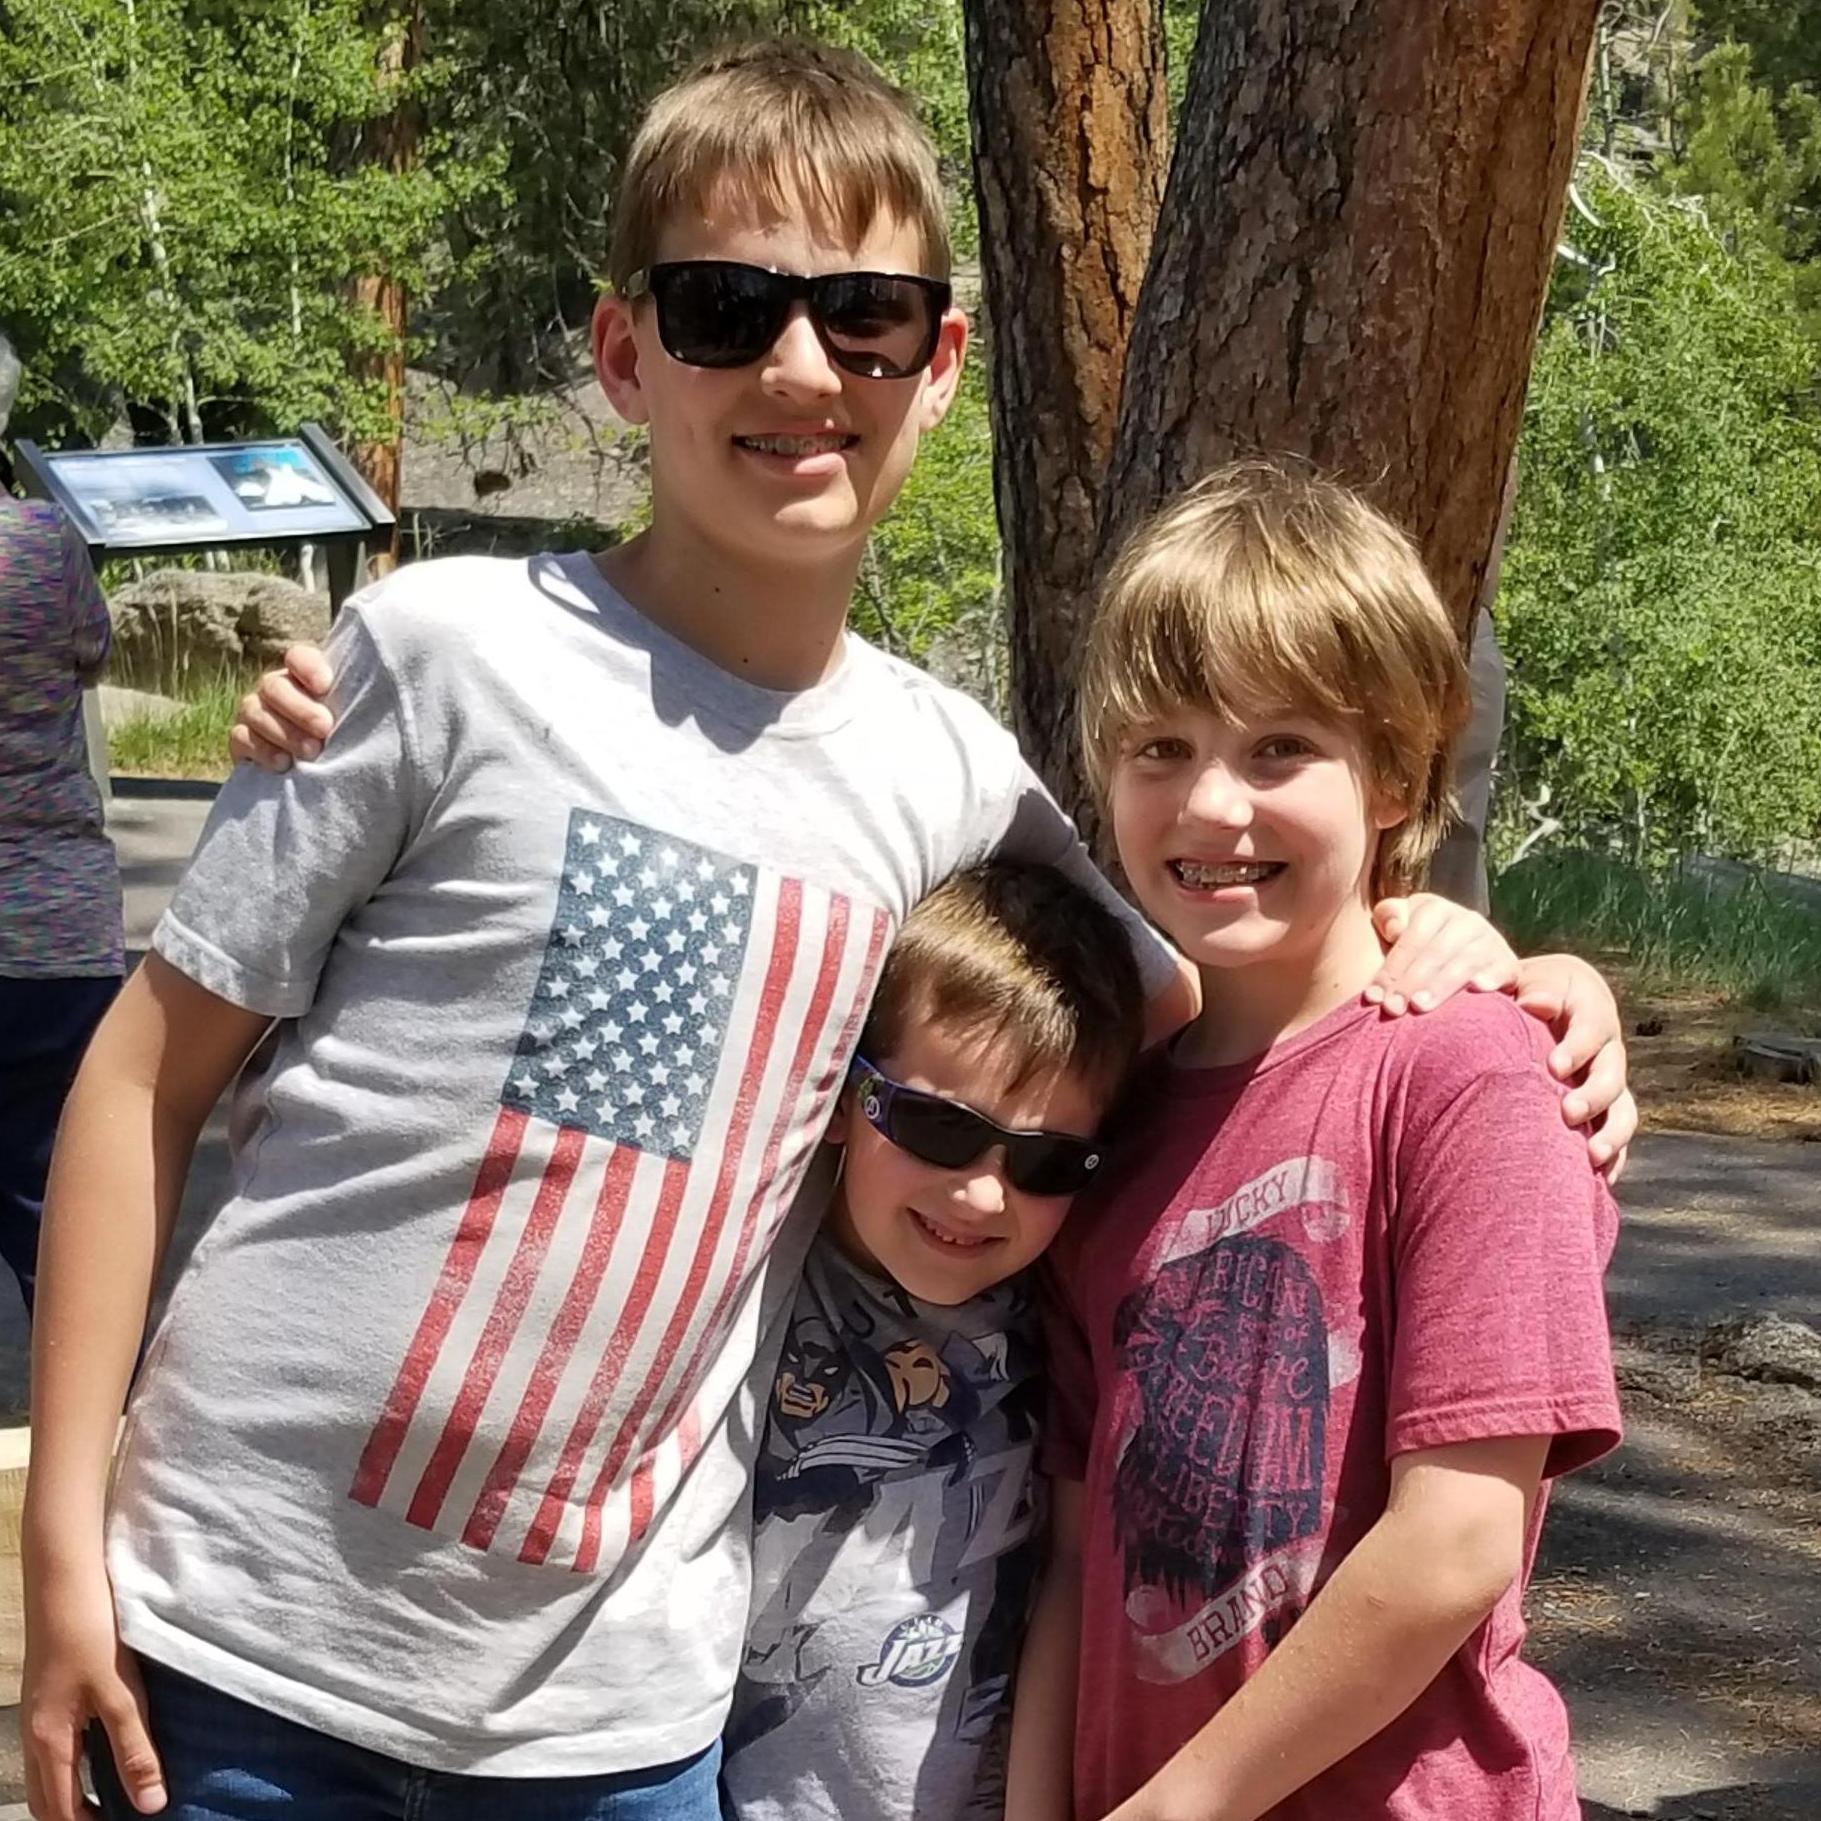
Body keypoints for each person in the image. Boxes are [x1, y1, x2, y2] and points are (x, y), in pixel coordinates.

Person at [26, 38, 1629, 1821]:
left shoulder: (946, 775)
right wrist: (58, 1542)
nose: (800, 367)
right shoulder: (438, 652)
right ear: (624, 349)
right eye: (728, 306)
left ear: (939, 365)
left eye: (863, 317)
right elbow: (141, 1080)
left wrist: (1497, 961)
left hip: (612, 1711)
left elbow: (1201, 970)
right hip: (238, 1639)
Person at [1007, 462, 1621, 1821]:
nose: (1211, 805)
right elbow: (1072, 1545)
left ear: (1396, 772)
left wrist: (1176, 1809)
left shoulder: (1466, 1068)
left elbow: (1458, 1540)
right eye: (1158, 745)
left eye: (1278, 747)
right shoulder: (1112, 1110)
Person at [722, 857, 1146, 1821]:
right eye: (934, 1126)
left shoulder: (1068, 1298)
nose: (981, 1194)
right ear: (842, 1095)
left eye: (1046, 1159)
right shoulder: (749, 1240)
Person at [0, 493, 123, 1315]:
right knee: (63, 1217)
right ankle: (96, 1429)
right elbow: (94, 653)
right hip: (55, 929)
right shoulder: (45, 540)